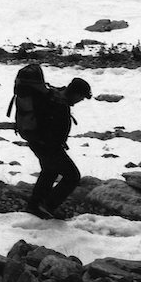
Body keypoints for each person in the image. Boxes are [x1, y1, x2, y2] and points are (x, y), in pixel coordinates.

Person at [10, 64, 91, 219]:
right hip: (46, 145)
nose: (81, 100)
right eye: (81, 97)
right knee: (72, 176)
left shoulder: (54, 96)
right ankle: (48, 206)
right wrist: (54, 144)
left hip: (37, 141)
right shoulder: (59, 104)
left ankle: (34, 206)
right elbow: (53, 129)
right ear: (76, 93)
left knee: (49, 171)